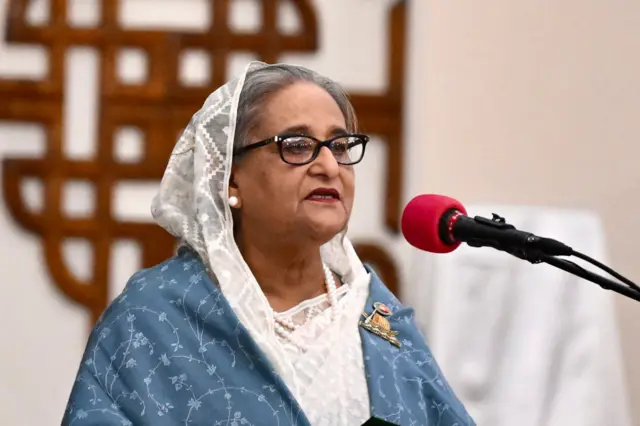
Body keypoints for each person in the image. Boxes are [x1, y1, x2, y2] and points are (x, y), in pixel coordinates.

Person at [62, 61, 474, 426]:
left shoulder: (377, 317)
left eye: (341, 145)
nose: (329, 166)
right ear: (230, 179)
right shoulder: (153, 318)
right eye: (297, 145)